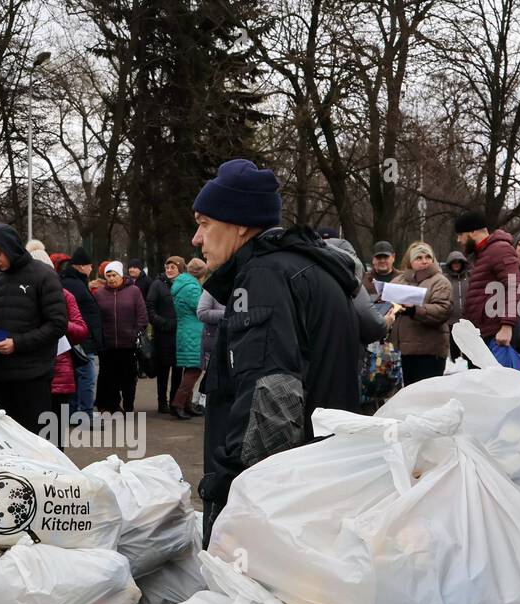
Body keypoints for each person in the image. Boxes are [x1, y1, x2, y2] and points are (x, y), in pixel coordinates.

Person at [190, 158, 360, 545]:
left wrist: (231, 494)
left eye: (204, 223)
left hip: (280, 501)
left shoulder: (264, 277)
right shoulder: (302, 268)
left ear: (239, 225)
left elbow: (270, 404)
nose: (196, 240)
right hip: (318, 482)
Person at [0, 222, 68, 433]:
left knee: (31, 444)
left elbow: (57, 324)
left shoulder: (44, 275)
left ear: (10, 247)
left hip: (32, 380)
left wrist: (16, 344)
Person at [27, 249, 88, 448]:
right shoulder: (18, 296)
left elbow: (81, 331)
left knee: (55, 443)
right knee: (32, 442)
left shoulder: (65, 296)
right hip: (27, 378)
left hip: (59, 378)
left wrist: (58, 323)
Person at [388, 242, 453, 387]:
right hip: (400, 353)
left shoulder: (440, 281)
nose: (424, 261)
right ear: (409, 261)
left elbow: (442, 310)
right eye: (419, 257)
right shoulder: (398, 281)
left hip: (429, 353)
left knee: (425, 399)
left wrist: (414, 309)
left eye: (428, 257)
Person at [454, 211, 518, 348]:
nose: (458, 240)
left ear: (472, 232)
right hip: (482, 334)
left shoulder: (499, 250)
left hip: (495, 336)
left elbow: (514, 285)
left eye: (460, 235)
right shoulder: (481, 255)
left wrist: (507, 325)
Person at [92, 261, 149, 414]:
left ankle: (129, 405)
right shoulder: (99, 294)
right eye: (108, 275)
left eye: (114, 275)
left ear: (121, 275)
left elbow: (142, 316)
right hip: (108, 345)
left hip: (128, 345)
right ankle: (114, 406)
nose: (111, 278)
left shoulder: (134, 291)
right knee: (111, 379)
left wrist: (135, 332)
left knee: (129, 379)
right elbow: (96, 318)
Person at [60, 247, 100, 416]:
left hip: (77, 337)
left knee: (78, 377)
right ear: (81, 266)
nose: (91, 269)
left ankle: (76, 413)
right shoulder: (75, 284)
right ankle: (85, 414)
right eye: (90, 265)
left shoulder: (72, 281)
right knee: (86, 377)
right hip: (81, 338)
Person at [169, 257, 204, 418]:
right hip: (194, 331)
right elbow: (201, 307)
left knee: (190, 369)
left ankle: (186, 404)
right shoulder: (192, 288)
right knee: (194, 370)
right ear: (200, 274)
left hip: (185, 330)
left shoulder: (181, 284)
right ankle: (178, 404)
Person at [146, 260, 181, 413]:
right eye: (167, 267)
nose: (169, 270)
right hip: (163, 334)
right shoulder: (157, 284)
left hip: (180, 333)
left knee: (178, 369)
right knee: (163, 369)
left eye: (173, 267)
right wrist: (162, 323)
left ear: (180, 268)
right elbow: (150, 307)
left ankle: (175, 400)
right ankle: (162, 402)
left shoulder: (184, 285)